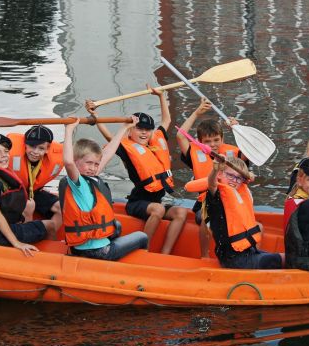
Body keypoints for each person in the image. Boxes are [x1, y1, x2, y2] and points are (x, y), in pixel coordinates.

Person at [85, 85, 186, 255]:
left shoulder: (155, 145)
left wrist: (161, 96)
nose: (144, 133)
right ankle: (142, 249)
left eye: (147, 130)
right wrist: (95, 117)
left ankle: (165, 252)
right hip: (137, 204)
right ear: (131, 130)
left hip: (154, 202)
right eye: (139, 129)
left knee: (181, 212)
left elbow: (166, 121)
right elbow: (110, 138)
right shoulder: (126, 148)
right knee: (159, 209)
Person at [61, 118, 148, 261]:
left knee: (117, 226)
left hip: (81, 246)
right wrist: (69, 130)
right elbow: (68, 162)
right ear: (76, 162)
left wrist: (124, 128)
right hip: (99, 251)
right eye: (89, 163)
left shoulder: (90, 177)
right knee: (142, 236)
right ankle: (137, 267)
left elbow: (108, 153)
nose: (93, 168)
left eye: (96, 164)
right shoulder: (77, 182)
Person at [176, 97, 248, 257]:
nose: (213, 144)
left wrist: (238, 130)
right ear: (200, 143)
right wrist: (196, 112)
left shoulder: (234, 154)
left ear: (222, 139)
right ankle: (205, 256)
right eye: (208, 142)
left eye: (216, 140)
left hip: (230, 200)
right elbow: (180, 136)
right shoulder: (194, 153)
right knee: (206, 217)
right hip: (206, 202)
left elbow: (249, 151)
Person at [0, 134, 56, 256]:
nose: (4, 155)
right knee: (50, 225)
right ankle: (49, 258)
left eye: (6, 151)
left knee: (35, 218)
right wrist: (16, 243)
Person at [204, 156, 283, 269]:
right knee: (285, 259)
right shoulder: (217, 196)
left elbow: (247, 180)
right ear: (220, 174)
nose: (233, 180)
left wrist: (247, 175)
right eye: (230, 175)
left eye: (238, 178)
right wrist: (215, 169)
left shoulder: (241, 190)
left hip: (248, 252)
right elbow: (211, 183)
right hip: (234, 260)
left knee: (283, 257)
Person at [7, 125, 63, 236]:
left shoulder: (56, 158)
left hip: (34, 192)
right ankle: (26, 237)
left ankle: (48, 238)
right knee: (28, 205)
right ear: (25, 146)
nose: (35, 152)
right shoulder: (9, 153)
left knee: (61, 207)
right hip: (13, 192)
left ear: (47, 149)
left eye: (41, 148)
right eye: (32, 146)